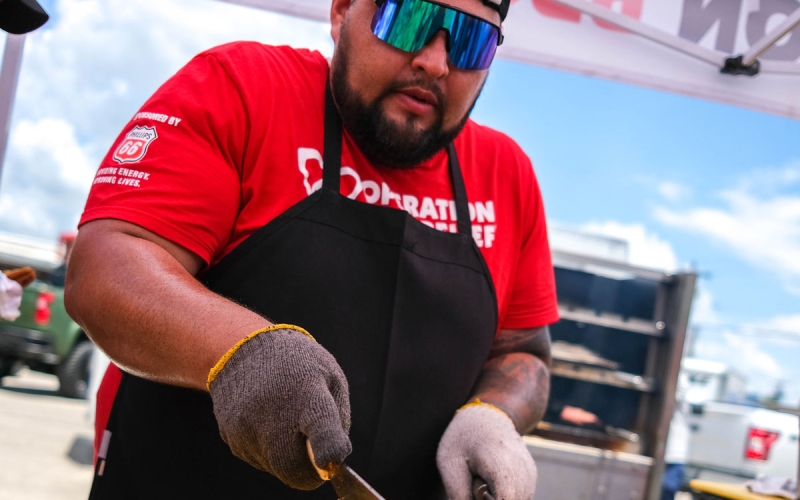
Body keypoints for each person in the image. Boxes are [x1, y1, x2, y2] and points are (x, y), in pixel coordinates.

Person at [64, 0, 560, 498]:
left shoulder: (506, 175)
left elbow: (525, 352)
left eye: (471, 41)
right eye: (408, 19)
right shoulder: (246, 88)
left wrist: (493, 414)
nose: (434, 62)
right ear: (342, 13)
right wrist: (238, 351)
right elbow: (105, 267)